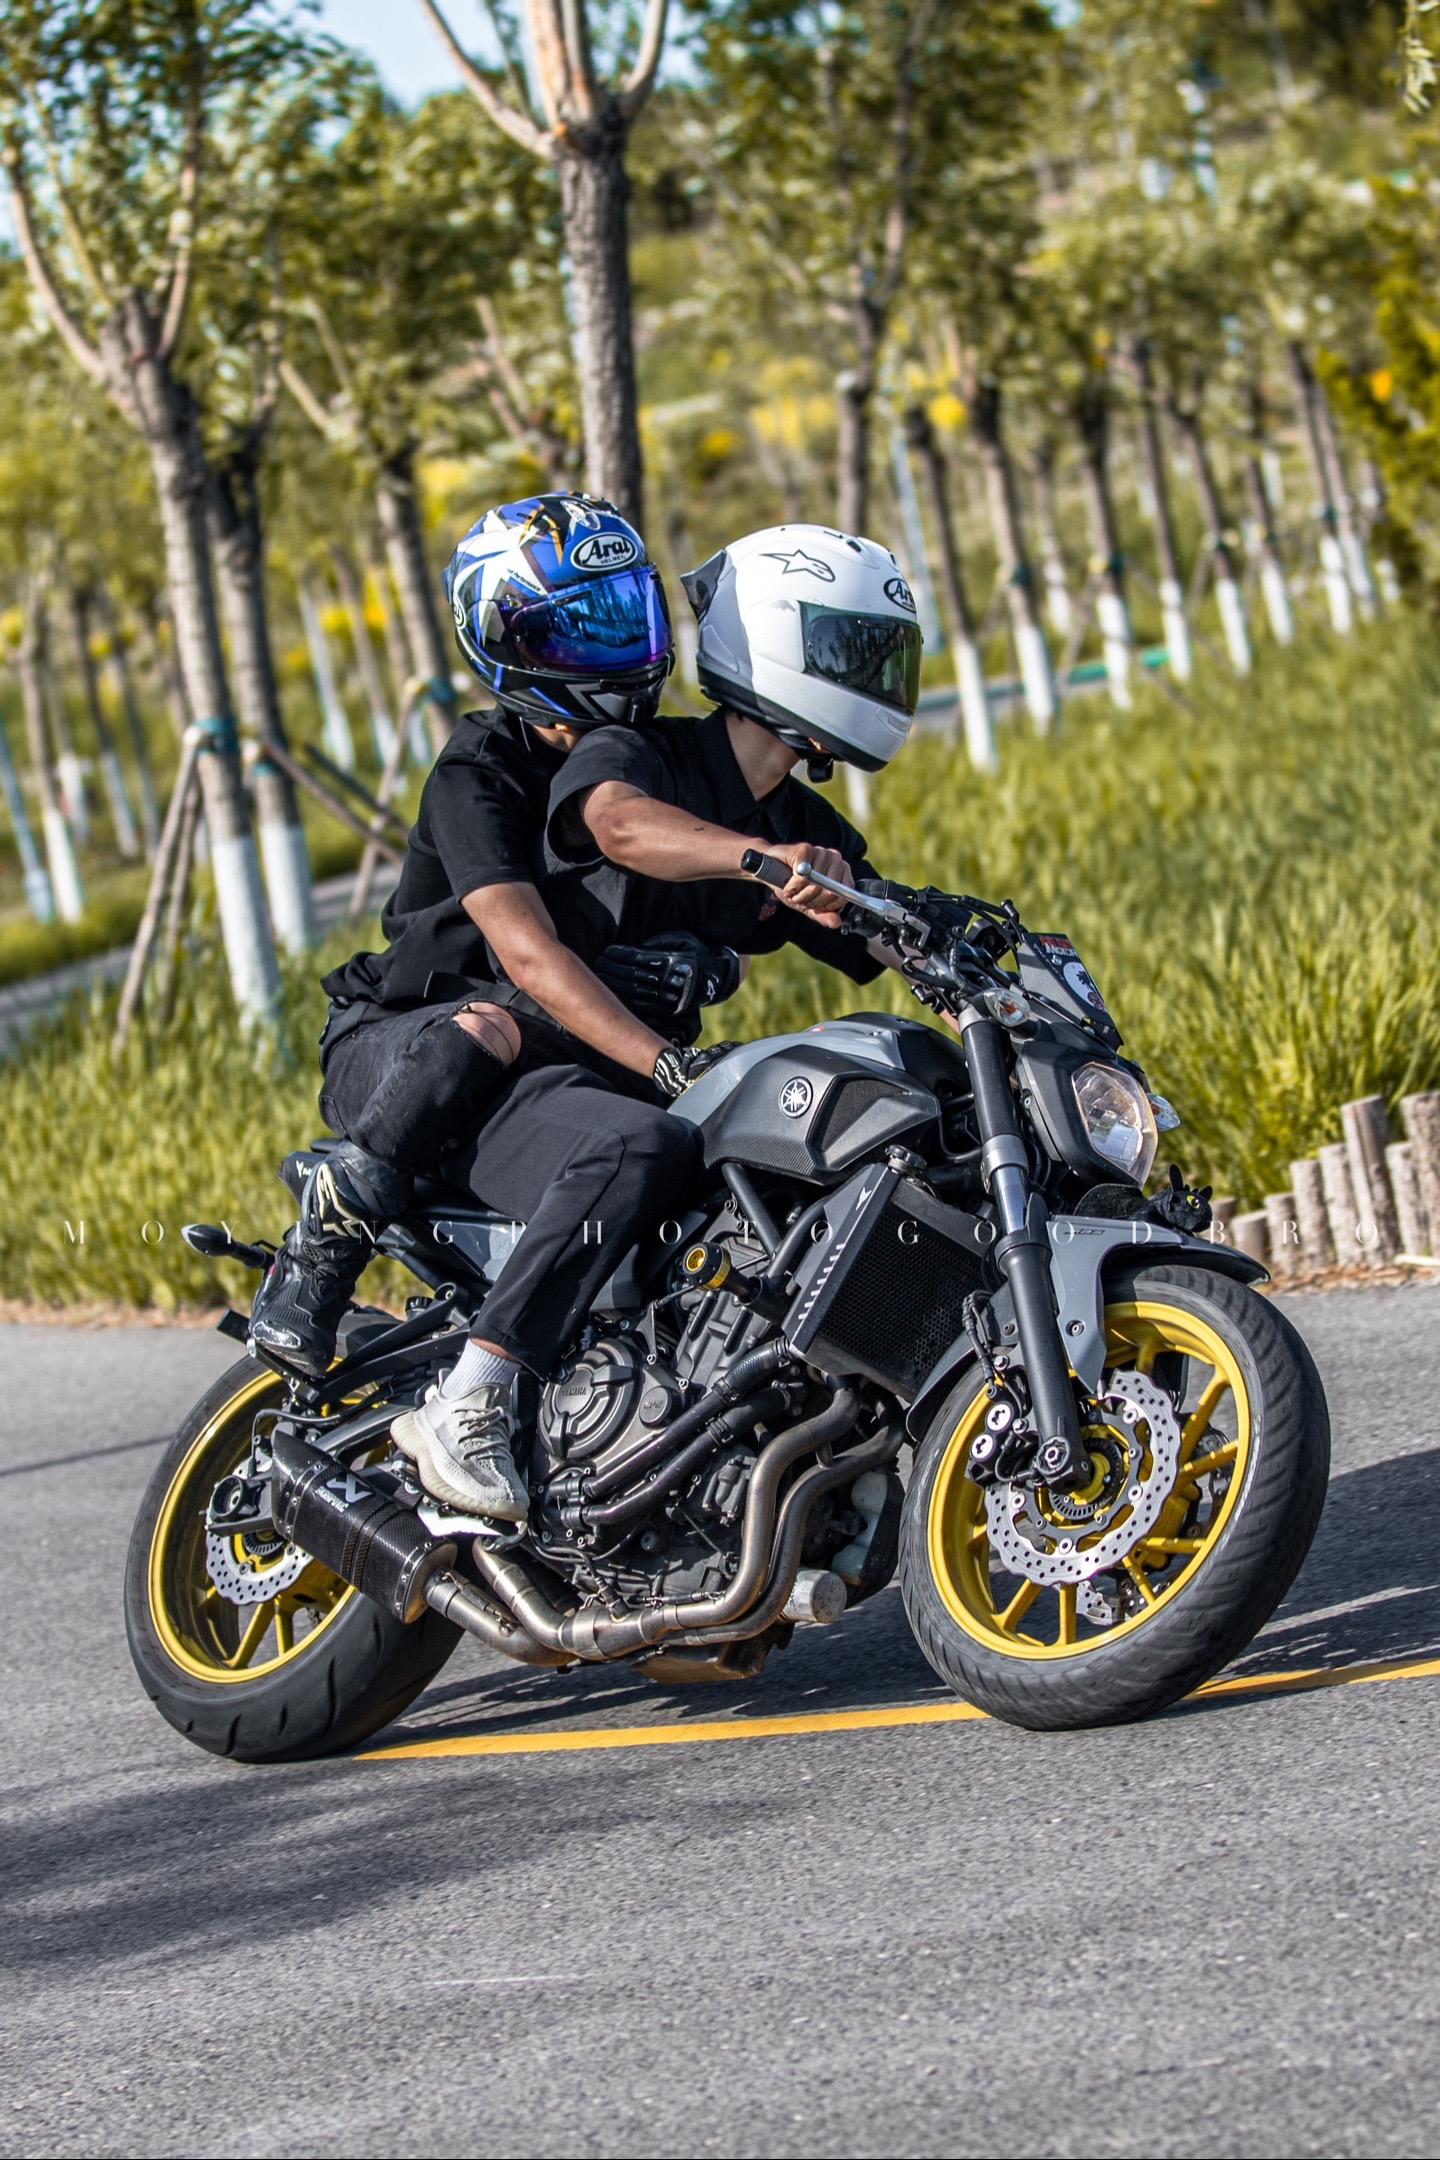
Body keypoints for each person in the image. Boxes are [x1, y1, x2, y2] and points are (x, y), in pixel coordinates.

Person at [383, 523, 926, 1520]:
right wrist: (758, 872)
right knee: (646, 1141)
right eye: (849, 650)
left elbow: (876, 917)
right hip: (484, 1052)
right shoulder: (625, 755)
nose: (875, 677)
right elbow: (614, 828)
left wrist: (978, 957)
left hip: (587, 1067)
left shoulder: (801, 822)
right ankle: (472, 1398)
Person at [248, 496, 728, 1519]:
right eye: (576, 627)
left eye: (623, 616)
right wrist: (668, 1061)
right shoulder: (480, 772)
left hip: (545, 1073)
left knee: (686, 1151)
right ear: (507, 638)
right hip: (404, 1053)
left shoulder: (653, 770)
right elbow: (526, 954)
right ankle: (332, 1255)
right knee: (489, 1027)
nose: (612, 646)